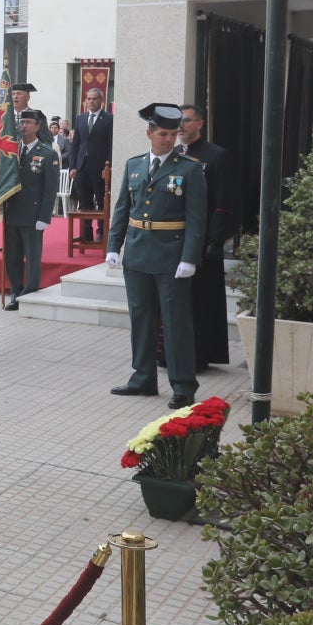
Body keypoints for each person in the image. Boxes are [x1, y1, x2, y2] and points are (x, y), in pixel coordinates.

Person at [105, 103, 207, 406]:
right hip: (137, 253)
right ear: (149, 133)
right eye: (162, 133)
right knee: (141, 318)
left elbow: (196, 218)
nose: (168, 139)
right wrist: (114, 245)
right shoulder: (134, 165)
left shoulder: (189, 168)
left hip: (171, 256)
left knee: (176, 323)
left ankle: (183, 386)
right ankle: (143, 377)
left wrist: (189, 257)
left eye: (173, 134)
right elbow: (122, 208)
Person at [175, 103, 237, 369]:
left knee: (200, 301)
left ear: (199, 123)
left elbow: (223, 201)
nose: (180, 126)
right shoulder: (174, 154)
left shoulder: (215, 155)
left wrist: (215, 239)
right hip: (174, 239)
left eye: (186, 121)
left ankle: (200, 355)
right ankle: (170, 353)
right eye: (178, 121)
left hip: (203, 242)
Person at [0, 110, 60, 310]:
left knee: (32, 256)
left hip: (33, 215)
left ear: (37, 126)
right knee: (12, 256)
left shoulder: (47, 153)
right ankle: (16, 291)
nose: (23, 125)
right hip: (13, 212)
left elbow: (50, 189)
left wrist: (45, 216)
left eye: (27, 122)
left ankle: (30, 291)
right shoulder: (11, 152)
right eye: (21, 121)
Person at [70, 87, 114, 239]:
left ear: (101, 101)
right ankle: (85, 232)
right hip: (82, 166)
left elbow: (111, 144)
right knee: (84, 200)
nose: (91, 101)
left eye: (94, 98)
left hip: (100, 167)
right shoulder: (81, 118)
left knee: (102, 200)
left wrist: (108, 166)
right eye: (89, 98)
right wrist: (73, 166)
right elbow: (76, 144)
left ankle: (101, 232)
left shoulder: (109, 119)